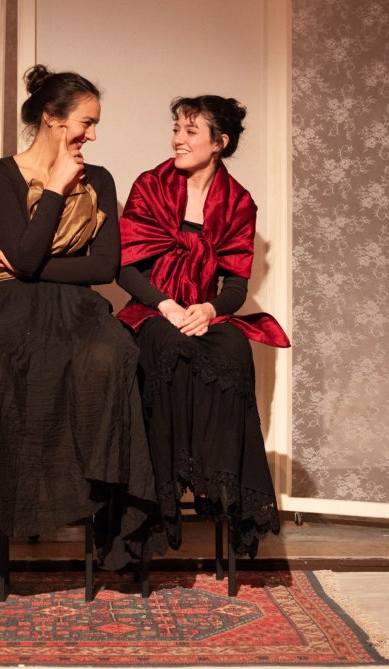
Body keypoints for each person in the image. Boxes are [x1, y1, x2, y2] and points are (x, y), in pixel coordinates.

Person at [0, 65, 159, 593]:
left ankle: (117, 547)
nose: (93, 135)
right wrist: (55, 188)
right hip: (9, 307)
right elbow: (28, 256)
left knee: (110, 359)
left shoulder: (100, 179)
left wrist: (24, 263)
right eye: (87, 122)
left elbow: (102, 267)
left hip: (77, 309)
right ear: (53, 119)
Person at [116, 95, 289, 559]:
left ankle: (221, 482)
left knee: (233, 348)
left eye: (190, 131)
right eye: (176, 128)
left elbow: (236, 285)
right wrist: (165, 304)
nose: (178, 139)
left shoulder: (238, 202)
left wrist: (209, 310)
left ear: (219, 143)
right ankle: (161, 497)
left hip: (201, 312)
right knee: (165, 345)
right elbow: (125, 268)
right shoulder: (151, 185)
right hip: (154, 310)